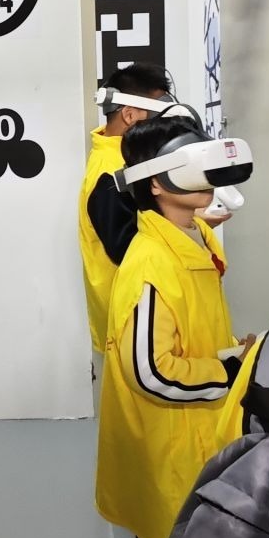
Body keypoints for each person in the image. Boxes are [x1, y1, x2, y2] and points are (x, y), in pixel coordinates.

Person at [95, 113, 252, 538]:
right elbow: (152, 371)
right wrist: (228, 371)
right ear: (158, 183)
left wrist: (228, 354)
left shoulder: (191, 237)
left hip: (196, 437)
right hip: (166, 447)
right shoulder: (149, 265)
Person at [78, 62, 174, 353]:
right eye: (157, 116)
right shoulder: (112, 174)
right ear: (130, 115)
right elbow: (128, 252)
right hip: (131, 321)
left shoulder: (126, 160)